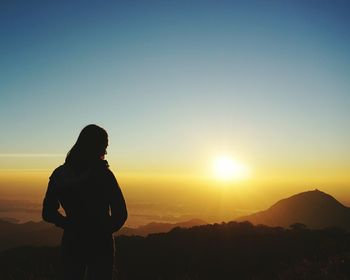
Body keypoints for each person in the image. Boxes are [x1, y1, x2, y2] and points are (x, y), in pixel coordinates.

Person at [42, 124, 127, 280]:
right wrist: (103, 230)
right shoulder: (103, 175)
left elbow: (48, 213)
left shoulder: (60, 175)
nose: (106, 152)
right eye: (104, 146)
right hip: (101, 245)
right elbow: (121, 213)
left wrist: (68, 224)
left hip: (72, 241)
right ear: (95, 147)